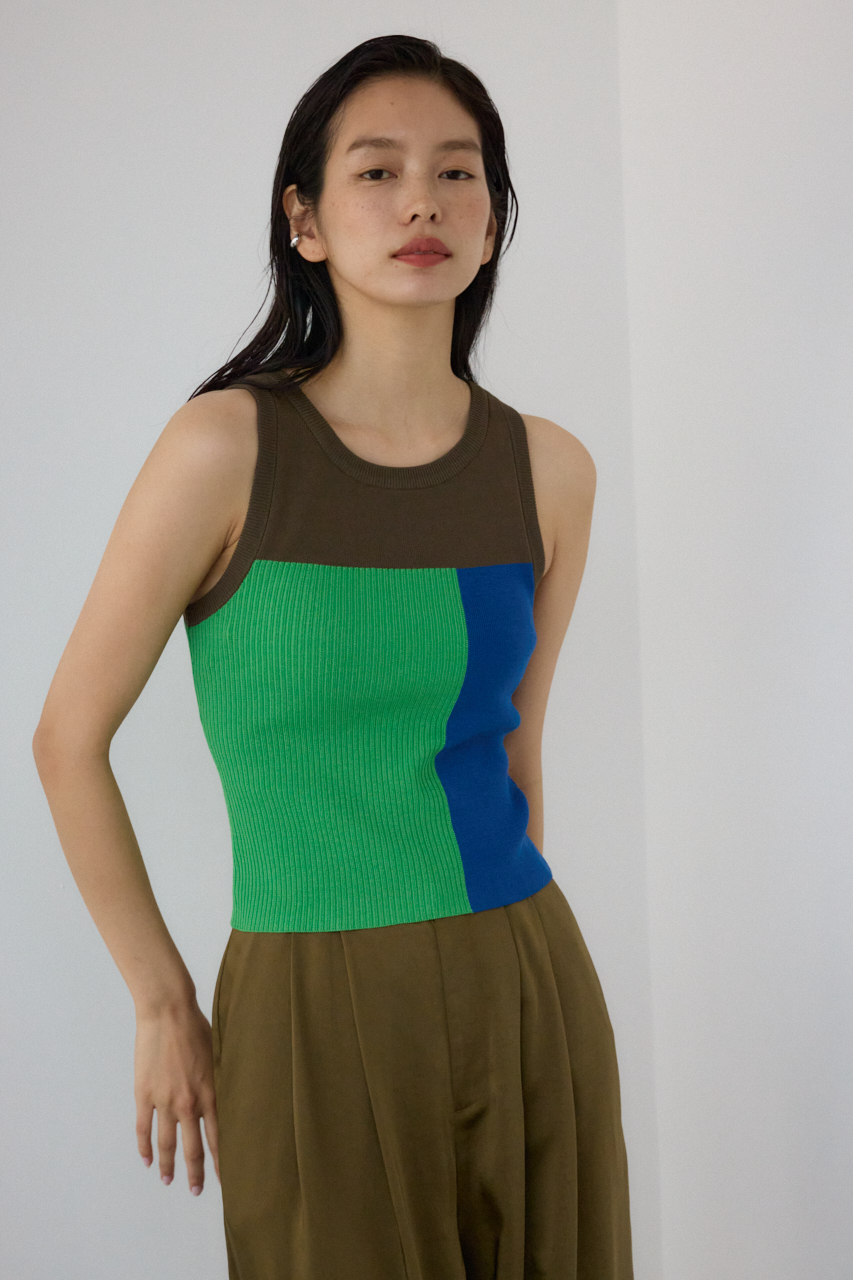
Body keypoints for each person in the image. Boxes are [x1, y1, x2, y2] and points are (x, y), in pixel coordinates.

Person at [33, 32, 633, 1280]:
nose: (422, 200)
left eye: (458, 172)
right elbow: (67, 740)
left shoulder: (551, 471)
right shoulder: (223, 449)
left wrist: (506, 986)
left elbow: (517, 753)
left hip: (524, 976)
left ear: (492, 219)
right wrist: (160, 997)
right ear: (302, 218)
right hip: (307, 997)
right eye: (376, 170)